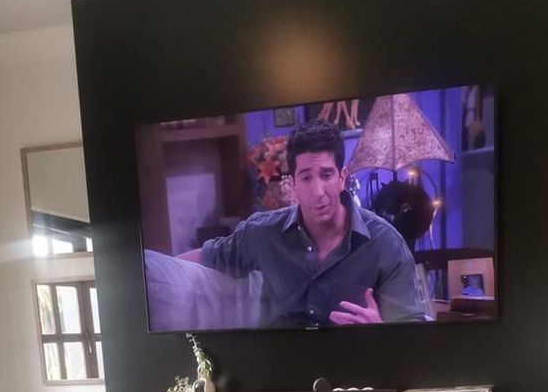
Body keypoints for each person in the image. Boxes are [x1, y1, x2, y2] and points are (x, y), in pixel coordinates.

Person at [178, 119, 426, 328]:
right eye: (306, 178)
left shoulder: (386, 244)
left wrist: (380, 332)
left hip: (354, 366)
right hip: (276, 366)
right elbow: (207, 256)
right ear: (294, 184)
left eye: (326, 175)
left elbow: (411, 335)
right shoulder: (263, 232)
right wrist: (157, 269)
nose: (318, 192)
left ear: (342, 178)